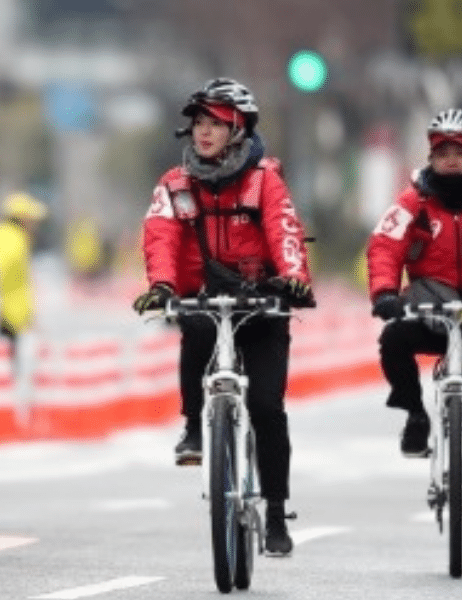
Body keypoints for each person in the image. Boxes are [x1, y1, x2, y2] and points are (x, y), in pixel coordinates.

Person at [133, 78, 315, 556]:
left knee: (267, 410)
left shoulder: (265, 181)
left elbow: (284, 230)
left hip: (263, 303)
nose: (205, 132)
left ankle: (275, 511)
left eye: (216, 123)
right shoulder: (175, 184)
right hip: (206, 299)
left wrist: (294, 277)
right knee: (194, 334)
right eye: (199, 123)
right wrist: (163, 286)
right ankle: (194, 425)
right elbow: (160, 237)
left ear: (239, 129)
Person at [368, 108, 462, 457]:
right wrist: (384, 293)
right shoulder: (413, 200)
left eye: (461, 153)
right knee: (393, 339)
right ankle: (415, 415)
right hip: (431, 309)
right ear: (430, 158)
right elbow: (385, 244)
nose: (452, 161)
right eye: (443, 154)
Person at [0, 192, 48, 426]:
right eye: (32, 219)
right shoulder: (9, 240)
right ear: (22, 218)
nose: (35, 224)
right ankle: (14, 421)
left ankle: (15, 419)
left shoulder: (10, 237)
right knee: (11, 374)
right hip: (5, 319)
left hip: (11, 318)